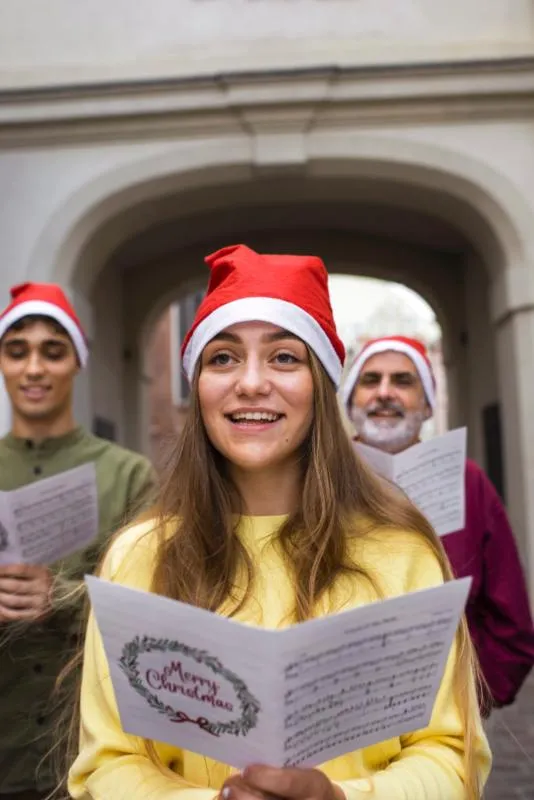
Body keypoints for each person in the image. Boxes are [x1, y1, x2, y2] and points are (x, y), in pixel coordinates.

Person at [68, 245, 490, 800]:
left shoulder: (403, 551)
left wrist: (339, 798)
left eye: (284, 357)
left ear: (321, 385)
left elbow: (449, 754)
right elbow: (108, 764)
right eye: (222, 358)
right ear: (197, 389)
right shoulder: (140, 554)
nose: (250, 382)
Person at [0, 282, 157, 800]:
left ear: (76, 362)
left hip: (84, 746)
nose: (34, 369)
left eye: (53, 351)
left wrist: (62, 595)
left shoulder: (129, 475)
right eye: (16, 351)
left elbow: (153, 605)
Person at [340, 334, 534, 716]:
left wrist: (468, 702)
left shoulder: (469, 483)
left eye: (402, 381)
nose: (384, 393)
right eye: (370, 380)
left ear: (427, 405)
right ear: (350, 401)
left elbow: (511, 622)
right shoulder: (314, 480)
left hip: (444, 719)